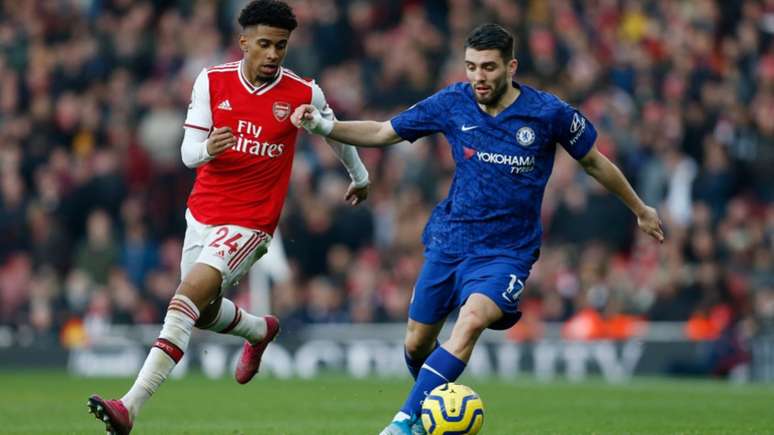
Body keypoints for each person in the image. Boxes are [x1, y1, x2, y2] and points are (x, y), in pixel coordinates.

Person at [292, 23, 664, 435]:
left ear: (511, 66)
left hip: (508, 252)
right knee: (416, 343)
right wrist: (326, 127)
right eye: (471, 66)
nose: (478, 77)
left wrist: (640, 208)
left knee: (470, 321)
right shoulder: (453, 102)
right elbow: (383, 131)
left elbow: (594, 161)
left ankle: (401, 424)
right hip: (450, 241)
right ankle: (431, 414)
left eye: (487, 67)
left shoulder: (548, 114)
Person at [87, 1, 370, 434]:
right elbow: (187, 155)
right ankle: (259, 330)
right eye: (264, 44)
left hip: (251, 225)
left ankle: (129, 406)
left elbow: (335, 133)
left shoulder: (302, 92)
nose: (274, 54)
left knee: (185, 297)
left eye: (281, 45)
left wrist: (360, 175)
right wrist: (209, 151)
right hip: (202, 215)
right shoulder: (212, 81)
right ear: (244, 43)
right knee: (200, 312)